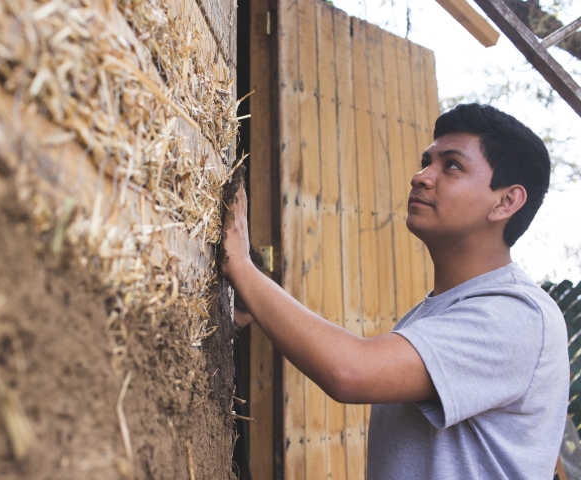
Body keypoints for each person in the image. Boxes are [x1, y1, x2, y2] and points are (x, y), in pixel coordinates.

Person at [222, 103, 569, 479]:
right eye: (426, 161)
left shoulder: (518, 314)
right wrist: (251, 302)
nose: (420, 176)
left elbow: (350, 371)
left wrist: (241, 267)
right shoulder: (435, 314)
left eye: (451, 165)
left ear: (506, 201)